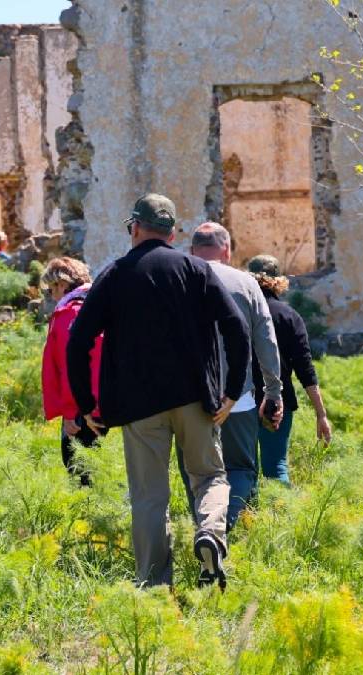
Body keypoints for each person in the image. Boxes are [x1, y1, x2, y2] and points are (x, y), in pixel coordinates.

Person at [66, 194, 250, 590]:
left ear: (134, 227)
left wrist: (86, 405)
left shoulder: (115, 274)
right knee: (210, 478)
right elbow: (236, 327)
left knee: (149, 497)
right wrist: (232, 391)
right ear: (172, 233)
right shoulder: (195, 269)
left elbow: (77, 340)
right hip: (196, 401)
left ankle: (153, 587)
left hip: (138, 407)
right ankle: (210, 536)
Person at [185, 223, 284, 530]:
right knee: (239, 468)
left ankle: (205, 529)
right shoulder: (245, 283)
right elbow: (266, 340)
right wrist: (273, 390)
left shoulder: (180, 280)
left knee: (197, 471)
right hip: (238, 395)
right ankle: (224, 528)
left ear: (192, 251)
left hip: (189, 396)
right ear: (227, 250)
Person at [247, 255, 333, 483]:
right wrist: (321, 414)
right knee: (276, 468)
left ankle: (246, 516)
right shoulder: (288, 316)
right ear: (278, 281)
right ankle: (283, 514)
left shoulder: (239, 312)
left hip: (241, 400)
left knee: (242, 470)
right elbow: (305, 369)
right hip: (277, 401)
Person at [41, 258, 103, 487]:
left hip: (81, 406)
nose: (51, 294)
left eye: (51, 288)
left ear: (61, 284)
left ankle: (85, 520)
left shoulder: (70, 312)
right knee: (91, 468)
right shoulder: (93, 305)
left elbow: (72, 366)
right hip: (97, 401)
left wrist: (70, 411)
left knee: (79, 471)